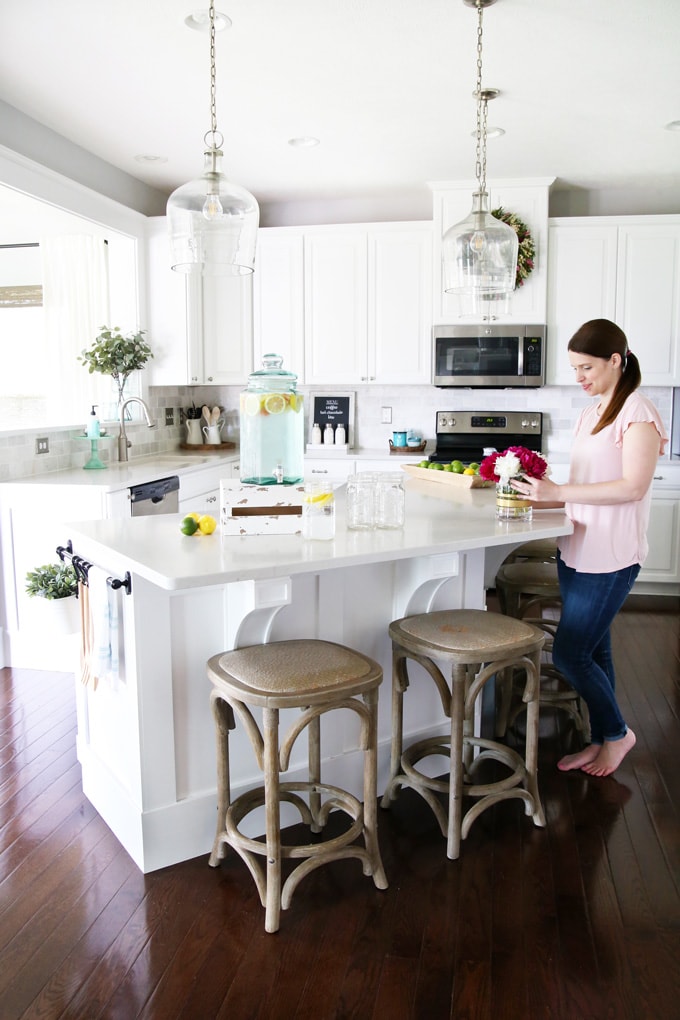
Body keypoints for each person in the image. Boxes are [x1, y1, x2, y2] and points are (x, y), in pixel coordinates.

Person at [513, 319, 668, 777]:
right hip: (577, 548)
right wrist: (550, 493)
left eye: (586, 367)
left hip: (612, 555)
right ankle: (602, 740)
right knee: (596, 650)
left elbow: (632, 487)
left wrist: (558, 493)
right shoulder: (591, 410)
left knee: (569, 654)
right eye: (575, 368)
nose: (578, 377)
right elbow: (583, 482)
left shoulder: (638, 413)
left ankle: (618, 734)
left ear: (615, 360)